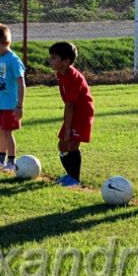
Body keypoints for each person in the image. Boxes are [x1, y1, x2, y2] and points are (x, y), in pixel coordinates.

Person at [48, 41, 95, 187]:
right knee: (62, 145)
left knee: (72, 144)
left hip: (82, 112)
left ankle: (75, 179)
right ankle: (69, 175)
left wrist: (68, 128)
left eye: (54, 57)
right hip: (73, 111)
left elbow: (70, 105)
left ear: (66, 61)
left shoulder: (74, 77)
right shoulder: (60, 73)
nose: (50, 60)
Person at [0, 23, 25, 173]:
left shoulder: (13, 60)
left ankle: (12, 162)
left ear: (6, 43)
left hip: (10, 105)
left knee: (8, 132)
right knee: (2, 131)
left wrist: (19, 106)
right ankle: (0, 160)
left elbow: (21, 84)